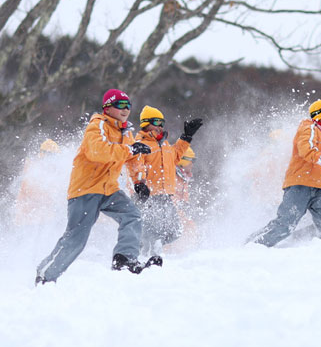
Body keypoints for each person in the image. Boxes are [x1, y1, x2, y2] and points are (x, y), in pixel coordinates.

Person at [35, 89, 154, 285]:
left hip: (109, 190)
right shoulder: (97, 125)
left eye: (128, 105)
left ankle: (124, 259)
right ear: (108, 108)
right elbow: (98, 151)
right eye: (121, 105)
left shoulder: (126, 132)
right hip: (86, 190)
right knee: (77, 239)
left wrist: (139, 181)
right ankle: (45, 275)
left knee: (132, 215)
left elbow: (133, 158)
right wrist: (129, 149)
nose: (126, 109)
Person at [248, 100, 321, 247]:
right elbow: (306, 150)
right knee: (285, 225)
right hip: (300, 186)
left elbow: (316, 156)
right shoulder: (309, 127)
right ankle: (253, 246)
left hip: (317, 189)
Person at [130, 105, 202, 255]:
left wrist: (186, 137)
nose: (160, 126)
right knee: (150, 229)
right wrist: (140, 183)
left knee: (175, 230)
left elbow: (175, 156)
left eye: (162, 122)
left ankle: (150, 246)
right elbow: (136, 165)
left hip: (164, 195)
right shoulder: (141, 143)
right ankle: (143, 254)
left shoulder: (164, 144)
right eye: (156, 121)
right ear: (146, 123)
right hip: (147, 195)